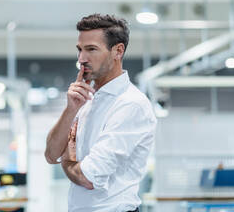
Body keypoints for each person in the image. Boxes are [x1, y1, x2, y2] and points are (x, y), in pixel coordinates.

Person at [45, 14, 157, 212]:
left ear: (118, 51)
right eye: (80, 50)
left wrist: (68, 160)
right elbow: (51, 154)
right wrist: (71, 110)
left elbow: (87, 177)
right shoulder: (85, 99)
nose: (81, 59)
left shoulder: (131, 104)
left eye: (91, 50)